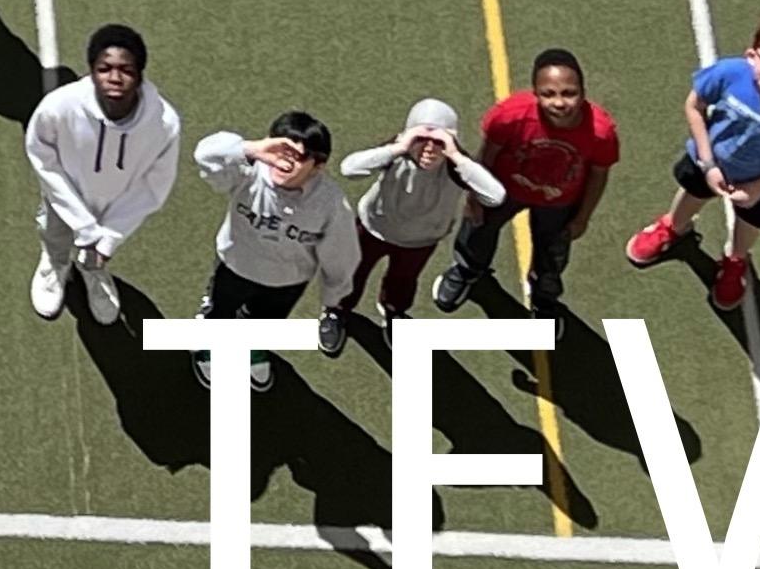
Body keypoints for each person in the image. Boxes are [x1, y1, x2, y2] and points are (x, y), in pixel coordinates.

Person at [625, 14, 760, 312]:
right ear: (751, 55)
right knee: (691, 195)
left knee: (749, 225)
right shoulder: (729, 73)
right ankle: (674, 227)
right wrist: (708, 164)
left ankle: (735, 260)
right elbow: (694, 105)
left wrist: (759, 189)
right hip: (709, 162)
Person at [434, 49, 620, 310]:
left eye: (569, 93)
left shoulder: (601, 132)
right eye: (548, 94)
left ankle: (544, 295)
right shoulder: (510, 115)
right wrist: (475, 196)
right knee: (478, 229)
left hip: (559, 200)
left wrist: (582, 217)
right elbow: (487, 155)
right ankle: (468, 269)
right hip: (502, 189)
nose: (559, 102)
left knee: (552, 252)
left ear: (583, 91)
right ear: (535, 92)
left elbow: (599, 174)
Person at [188, 112, 359, 390]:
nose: (285, 161)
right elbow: (205, 155)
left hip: (287, 281)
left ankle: (253, 348)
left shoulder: (331, 203)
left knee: (266, 322)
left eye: (299, 157)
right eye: (281, 149)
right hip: (235, 267)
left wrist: (333, 297)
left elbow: (341, 253)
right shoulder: (247, 171)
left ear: (318, 166)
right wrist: (251, 149)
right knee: (220, 312)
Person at [24, 24, 181, 322]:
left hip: (116, 208)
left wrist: (108, 237)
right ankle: (55, 264)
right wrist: (81, 222)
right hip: (64, 199)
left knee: (97, 254)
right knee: (55, 235)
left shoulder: (165, 123)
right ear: (92, 70)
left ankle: (92, 270)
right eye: (104, 68)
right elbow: (41, 154)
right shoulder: (60, 106)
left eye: (126, 70)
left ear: (140, 74)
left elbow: (154, 187)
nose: (115, 78)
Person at [323, 99, 505, 354]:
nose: (430, 148)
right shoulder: (394, 155)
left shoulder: (456, 167)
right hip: (373, 228)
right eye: (421, 138)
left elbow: (495, 195)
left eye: (439, 141)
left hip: (420, 241)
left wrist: (455, 155)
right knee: (352, 274)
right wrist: (399, 147)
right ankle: (336, 311)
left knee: (403, 281)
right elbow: (349, 168)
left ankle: (394, 312)